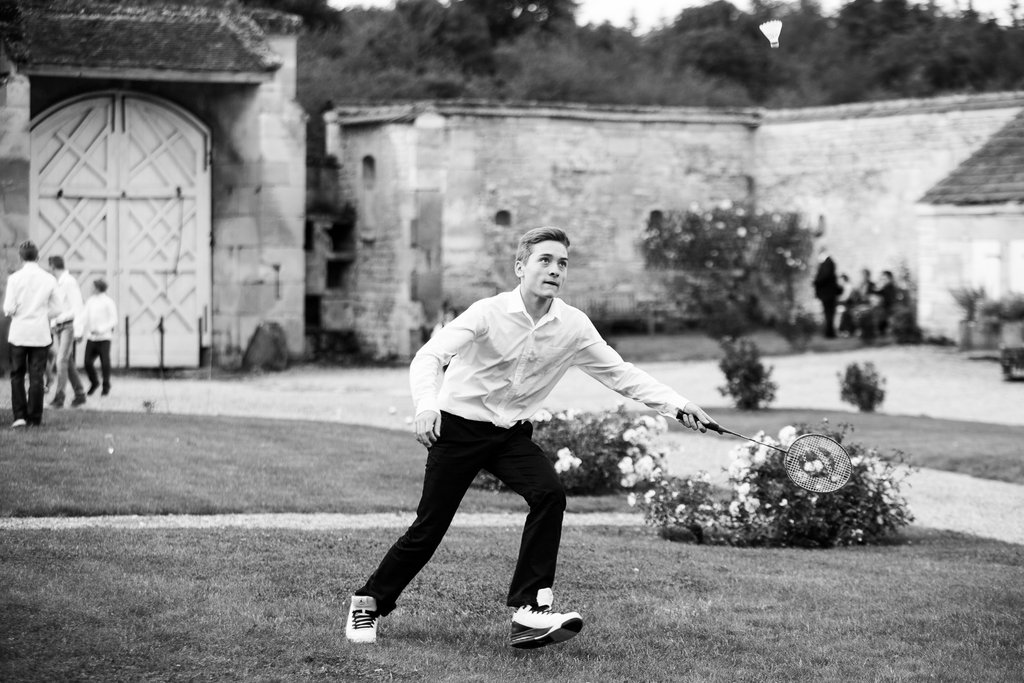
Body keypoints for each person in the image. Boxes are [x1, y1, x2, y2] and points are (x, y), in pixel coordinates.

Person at [344, 227, 713, 649]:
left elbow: (621, 374)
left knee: (549, 493)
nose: (555, 270)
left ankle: (530, 611)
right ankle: (368, 602)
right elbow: (430, 355)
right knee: (429, 528)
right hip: (459, 427)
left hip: (511, 436)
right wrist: (426, 405)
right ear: (520, 267)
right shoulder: (487, 313)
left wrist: (678, 404)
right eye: (545, 260)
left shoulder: (573, 326)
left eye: (562, 263)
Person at [3, 241, 60, 427]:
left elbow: (8, 308)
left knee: (17, 375)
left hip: (19, 332)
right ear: (38, 257)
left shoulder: (14, 279)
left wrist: (16, 312)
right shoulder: (49, 279)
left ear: (20, 257)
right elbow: (58, 308)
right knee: (37, 376)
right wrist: (43, 314)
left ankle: (19, 416)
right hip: (40, 333)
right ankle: (34, 418)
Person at [45, 256, 87, 408]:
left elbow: (78, 306)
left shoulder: (69, 282)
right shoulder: (57, 282)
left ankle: (59, 397)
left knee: (61, 360)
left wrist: (79, 330)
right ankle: (80, 394)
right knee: (67, 361)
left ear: (52, 266)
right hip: (58, 327)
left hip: (68, 326)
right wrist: (52, 324)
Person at [81, 278, 118, 396]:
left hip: (104, 338)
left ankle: (106, 385)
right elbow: (85, 316)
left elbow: (114, 319)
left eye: (92, 287)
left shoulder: (108, 302)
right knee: (87, 362)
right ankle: (94, 382)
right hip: (91, 337)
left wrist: (102, 329)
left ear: (97, 288)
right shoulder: (90, 301)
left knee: (105, 362)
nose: (90, 289)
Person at [812, 247, 841, 338]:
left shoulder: (828, 262)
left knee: (829, 313)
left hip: (828, 293)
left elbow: (824, 276)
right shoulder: (826, 262)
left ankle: (830, 333)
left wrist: (816, 281)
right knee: (828, 313)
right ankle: (829, 332)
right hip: (827, 293)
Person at [876, 270, 899, 336]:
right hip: (884, 311)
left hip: (888, 311)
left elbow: (890, 300)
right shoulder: (885, 288)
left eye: (885, 279)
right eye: (882, 279)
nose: (883, 280)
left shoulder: (890, 288)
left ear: (890, 278)